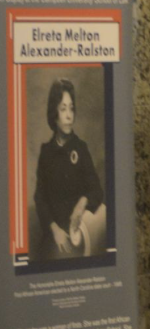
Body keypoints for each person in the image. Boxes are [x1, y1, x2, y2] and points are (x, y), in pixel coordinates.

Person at [34, 78, 104, 259]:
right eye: (63, 109)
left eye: (71, 108)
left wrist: (82, 204)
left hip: (80, 235)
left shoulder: (81, 148)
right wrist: (54, 229)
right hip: (54, 237)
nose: (69, 115)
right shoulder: (46, 152)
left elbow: (97, 190)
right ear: (54, 114)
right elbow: (39, 198)